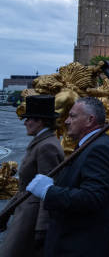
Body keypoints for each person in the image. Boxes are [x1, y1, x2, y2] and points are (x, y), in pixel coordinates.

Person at [26, 96, 109, 257]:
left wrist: (49, 191)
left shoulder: (99, 148)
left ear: (90, 120)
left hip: (85, 245)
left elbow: (92, 197)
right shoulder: (90, 144)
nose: (66, 121)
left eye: (73, 116)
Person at [0, 95, 64, 257]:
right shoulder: (43, 142)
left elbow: (48, 188)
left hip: (31, 218)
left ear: (40, 121)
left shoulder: (46, 146)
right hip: (27, 212)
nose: (25, 123)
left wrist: (42, 227)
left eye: (28, 119)